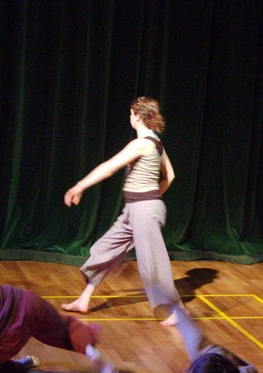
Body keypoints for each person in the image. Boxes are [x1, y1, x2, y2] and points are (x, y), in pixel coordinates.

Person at [61, 96, 184, 326]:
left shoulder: (142, 143)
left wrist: (79, 186)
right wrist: (153, 197)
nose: (130, 117)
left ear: (137, 116)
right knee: (104, 250)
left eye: (131, 113)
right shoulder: (156, 142)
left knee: (152, 264)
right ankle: (84, 300)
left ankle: (176, 311)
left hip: (143, 210)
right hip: (135, 210)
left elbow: (109, 167)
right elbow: (171, 175)